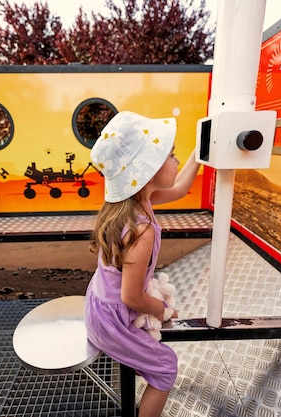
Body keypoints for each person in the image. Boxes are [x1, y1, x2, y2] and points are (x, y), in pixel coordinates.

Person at [85, 111, 200, 417]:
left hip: (100, 303)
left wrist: (198, 155)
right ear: (147, 171)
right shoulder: (141, 229)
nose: (175, 161)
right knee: (165, 369)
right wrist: (164, 310)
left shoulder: (133, 201)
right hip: (112, 322)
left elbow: (180, 190)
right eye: (171, 155)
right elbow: (131, 297)